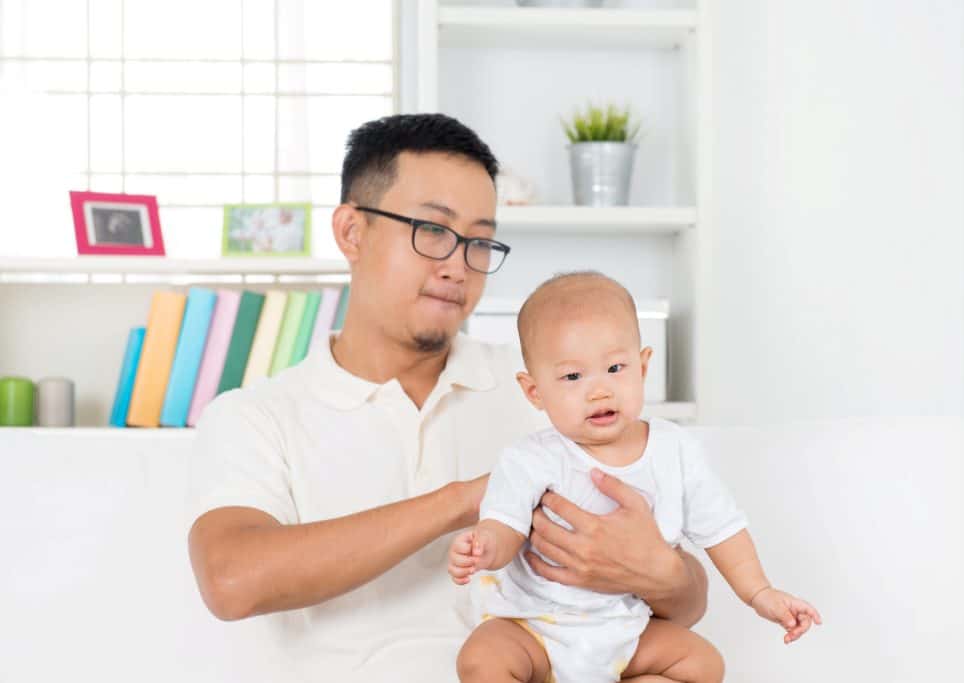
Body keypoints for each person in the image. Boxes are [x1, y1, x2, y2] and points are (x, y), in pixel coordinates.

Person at [187, 113, 711, 682]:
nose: (458, 265)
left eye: (479, 241)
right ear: (351, 232)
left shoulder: (554, 389)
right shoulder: (257, 416)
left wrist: (660, 569)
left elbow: (688, 603)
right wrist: (470, 500)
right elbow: (231, 582)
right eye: (432, 230)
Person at [448, 272, 822, 683]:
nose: (599, 391)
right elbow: (505, 523)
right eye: (573, 377)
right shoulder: (530, 458)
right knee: (483, 657)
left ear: (642, 367)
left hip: (622, 629)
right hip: (533, 627)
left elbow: (723, 529)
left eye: (615, 367)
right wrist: (484, 547)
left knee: (704, 664)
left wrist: (759, 593)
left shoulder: (674, 450)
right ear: (534, 391)